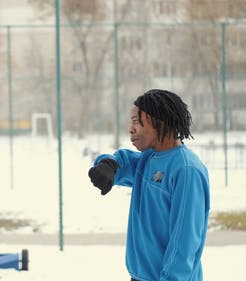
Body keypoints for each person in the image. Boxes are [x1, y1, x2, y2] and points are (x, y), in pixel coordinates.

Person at [88, 89, 210, 281]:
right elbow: (125, 161)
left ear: (159, 121)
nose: (131, 128)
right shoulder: (148, 159)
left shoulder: (186, 170)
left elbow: (184, 244)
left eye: (136, 121)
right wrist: (108, 165)